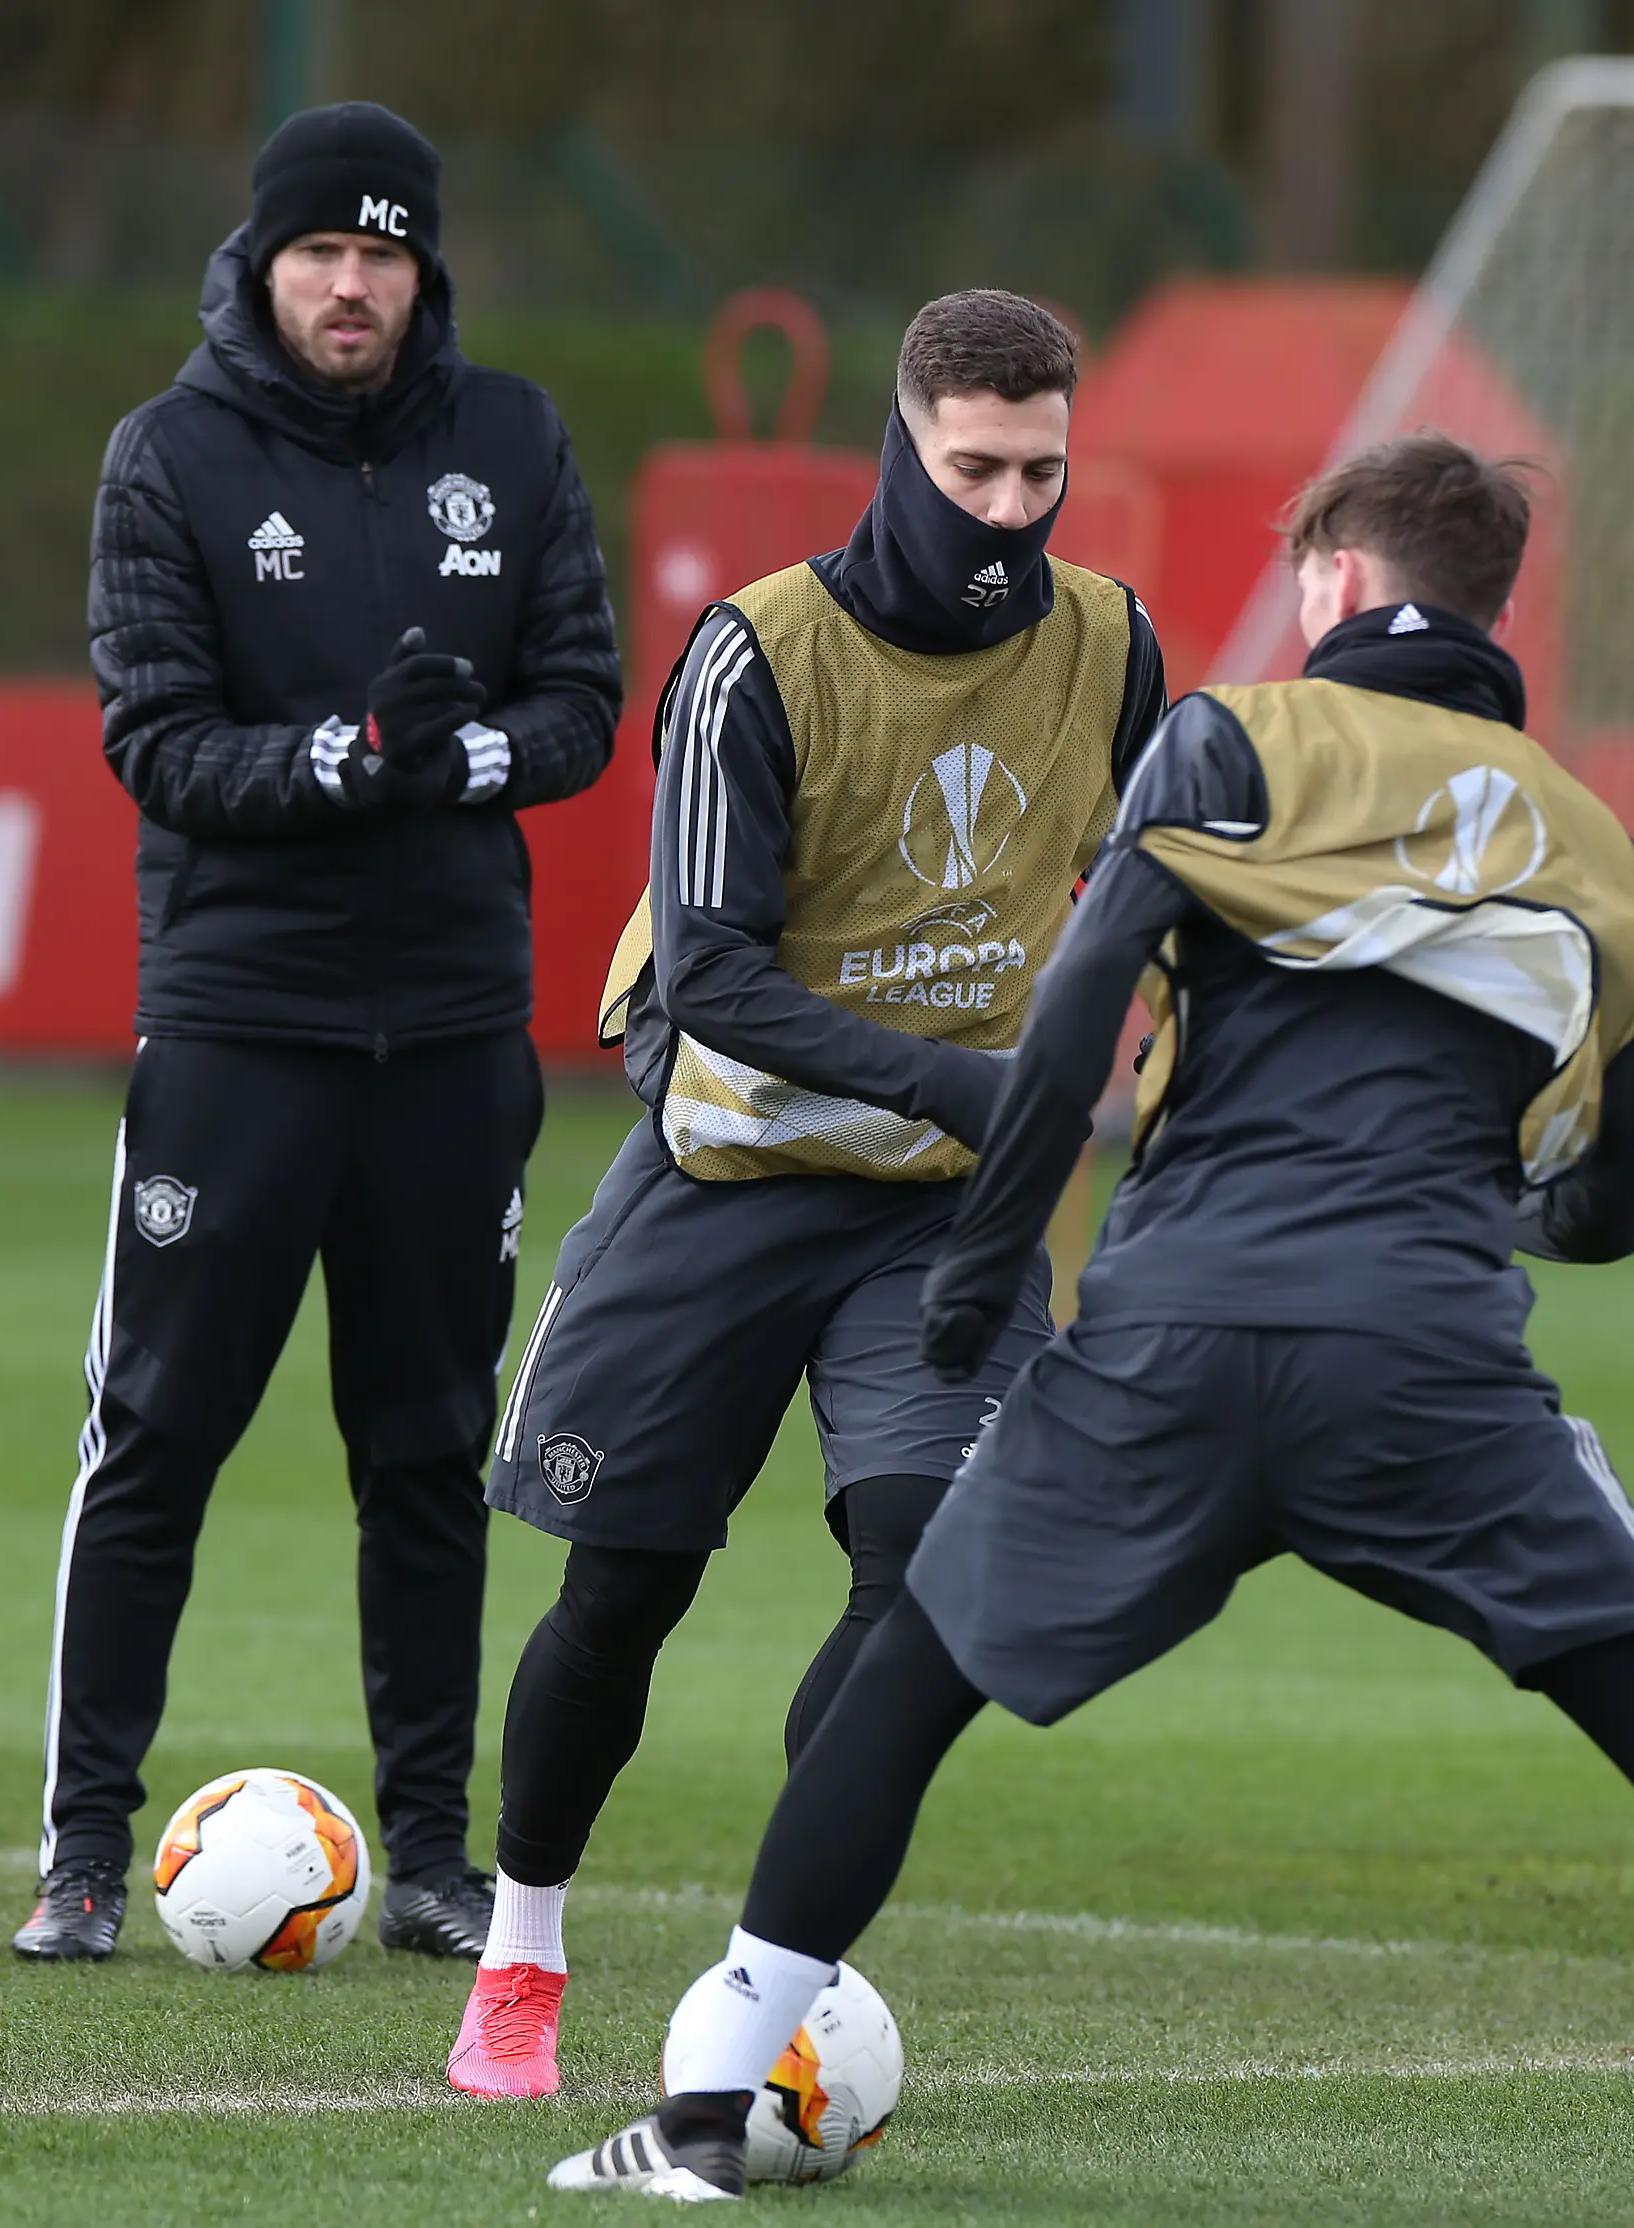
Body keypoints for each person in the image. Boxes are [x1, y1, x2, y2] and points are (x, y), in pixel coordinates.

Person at [543, 434, 1634, 2228]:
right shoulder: (1590, 835)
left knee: (908, 1690)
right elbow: (1616, 1206)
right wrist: (1465, 1209)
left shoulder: (1233, 739)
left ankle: (699, 2117)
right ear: (1491, 605)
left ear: (1330, 581)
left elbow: (1083, 1014)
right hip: (1429, 1358)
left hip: (1170, 1338)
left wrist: (978, 1272)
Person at [449, 290, 1166, 2099]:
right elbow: (711, 978)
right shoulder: (757, 654)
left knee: (926, 1584)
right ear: (904, 446)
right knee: (624, 1595)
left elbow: (1151, 882)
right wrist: (989, 1088)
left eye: (1045, 472)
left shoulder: (1113, 642)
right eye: (976, 468)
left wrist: (1177, 1041)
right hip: (731, 1170)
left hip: (946, 1211)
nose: (1012, 507)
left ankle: (765, 1982)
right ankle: (520, 1952)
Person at [20, 100, 620, 1966]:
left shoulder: (511, 439)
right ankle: (88, 1855)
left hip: (452, 1030)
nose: (350, 287)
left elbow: (586, 702)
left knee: (431, 1448)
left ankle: (436, 1857)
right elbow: (157, 744)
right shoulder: (170, 457)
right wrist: (350, 758)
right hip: (239, 1024)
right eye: (319, 255)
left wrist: (474, 755)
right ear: (262, 264)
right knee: (158, 1433)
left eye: (383, 256)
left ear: (423, 270)